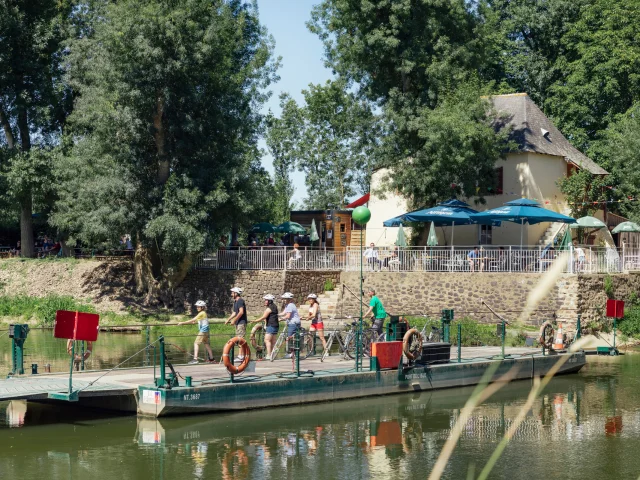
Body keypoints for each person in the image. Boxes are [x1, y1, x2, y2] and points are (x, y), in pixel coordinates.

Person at [225, 286, 248, 362]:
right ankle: (240, 355)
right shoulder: (235, 302)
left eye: (232, 292)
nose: (231, 294)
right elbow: (235, 312)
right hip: (238, 323)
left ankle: (241, 356)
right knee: (238, 339)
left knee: (240, 339)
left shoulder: (240, 301)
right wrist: (228, 319)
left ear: (236, 293)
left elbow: (241, 312)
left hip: (241, 323)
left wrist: (234, 320)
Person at [280, 292, 301, 359]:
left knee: (289, 338)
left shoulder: (290, 305)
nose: (283, 300)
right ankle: (294, 353)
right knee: (292, 338)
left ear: (289, 299)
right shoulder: (288, 305)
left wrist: (280, 319)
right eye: (283, 299)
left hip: (293, 323)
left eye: (285, 299)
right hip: (293, 323)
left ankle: (291, 353)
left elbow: (288, 316)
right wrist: (275, 315)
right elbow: (283, 313)